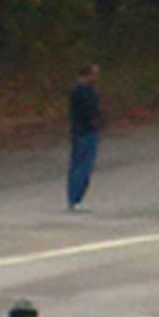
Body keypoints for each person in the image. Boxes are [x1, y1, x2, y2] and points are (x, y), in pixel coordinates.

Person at [66, 63, 101, 211]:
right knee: (82, 166)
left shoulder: (86, 90)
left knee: (81, 165)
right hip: (84, 132)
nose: (97, 77)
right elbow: (88, 111)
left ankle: (76, 198)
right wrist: (95, 122)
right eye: (94, 74)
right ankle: (75, 198)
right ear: (87, 74)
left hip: (84, 131)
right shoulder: (81, 91)